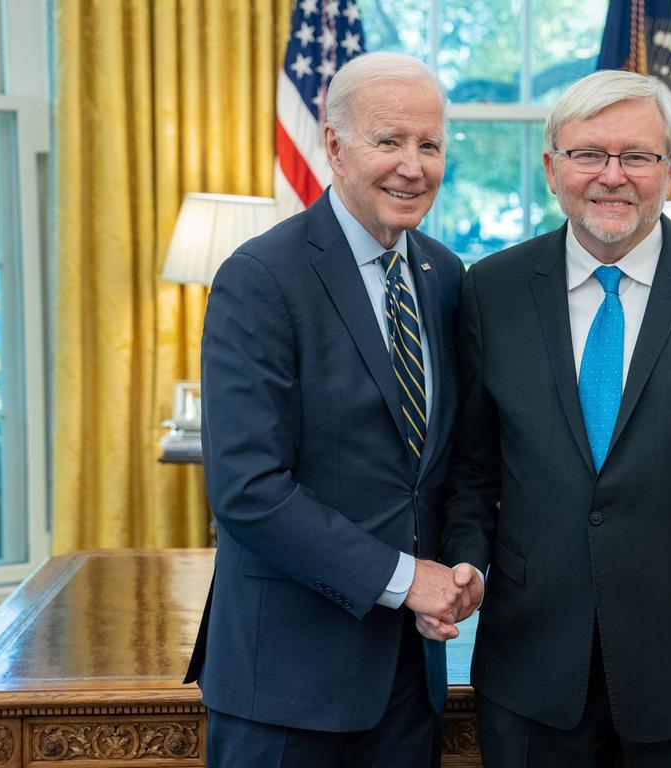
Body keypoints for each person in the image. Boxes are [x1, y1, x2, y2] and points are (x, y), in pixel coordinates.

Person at [427, 69, 671, 767]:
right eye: (589, 155)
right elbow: (474, 468)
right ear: (553, 168)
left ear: (670, 169)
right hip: (531, 676)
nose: (612, 176)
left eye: (637, 156)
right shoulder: (491, 290)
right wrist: (466, 562)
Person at [184, 52, 481, 768]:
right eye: (390, 141)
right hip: (285, 688)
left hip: (411, 684)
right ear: (335, 143)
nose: (413, 166)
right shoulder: (260, 278)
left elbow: (457, 464)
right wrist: (412, 580)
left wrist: (468, 563)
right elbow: (248, 490)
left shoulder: (446, 278)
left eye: (430, 144)